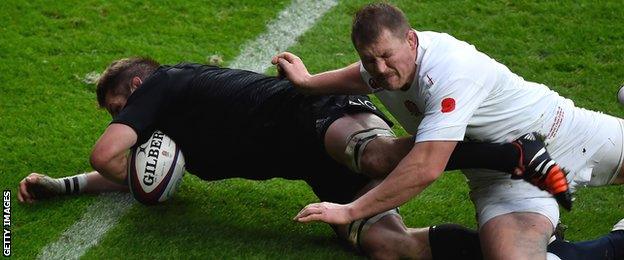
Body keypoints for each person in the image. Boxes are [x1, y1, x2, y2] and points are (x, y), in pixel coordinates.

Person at [17, 57, 572, 259]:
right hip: (312, 163)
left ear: (138, 86)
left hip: (317, 112)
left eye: (122, 108)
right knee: (387, 247)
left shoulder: (164, 82)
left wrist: (127, 164)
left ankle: (511, 153)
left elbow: (109, 154)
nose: (124, 120)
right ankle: (534, 252)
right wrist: (62, 186)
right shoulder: (171, 143)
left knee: (375, 157)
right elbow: (124, 172)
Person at [275, 3, 624, 259]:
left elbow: (425, 167)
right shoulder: (378, 67)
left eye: (386, 56)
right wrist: (308, 82)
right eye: (370, 59)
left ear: (411, 40)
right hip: (499, 179)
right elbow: (360, 77)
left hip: (563, 133)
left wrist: (350, 211)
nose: (380, 69)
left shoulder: (451, 70)